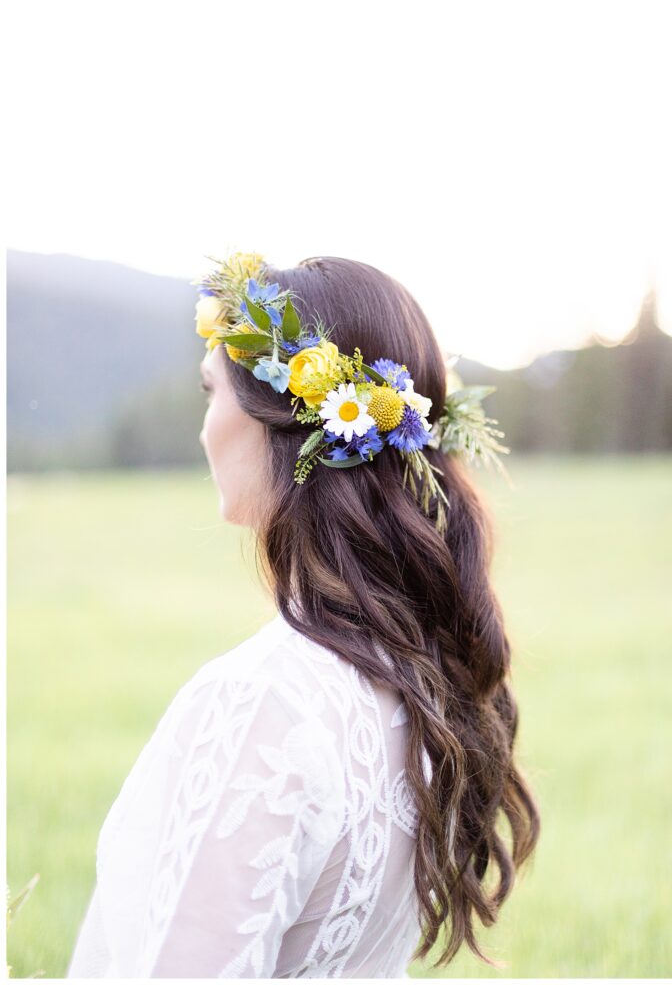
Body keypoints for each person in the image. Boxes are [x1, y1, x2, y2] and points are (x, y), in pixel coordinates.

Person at [66, 254, 540, 977]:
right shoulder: (419, 681)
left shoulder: (260, 703)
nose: (203, 431)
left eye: (209, 392)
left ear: (284, 423)